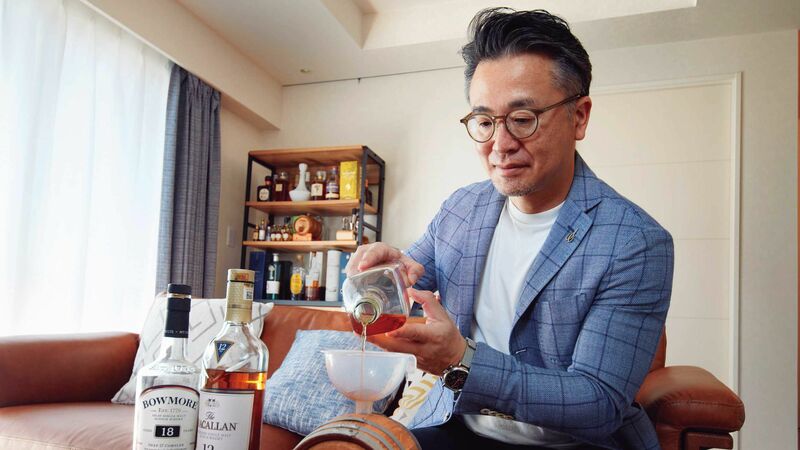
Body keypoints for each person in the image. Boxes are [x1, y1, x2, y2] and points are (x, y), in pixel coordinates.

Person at [347, 8, 673, 450]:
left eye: (522, 119)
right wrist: (383, 276)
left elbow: (598, 403)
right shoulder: (461, 209)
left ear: (579, 117)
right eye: (484, 122)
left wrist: (462, 360)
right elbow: (409, 277)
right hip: (460, 429)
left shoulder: (635, 242)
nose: (499, 145)